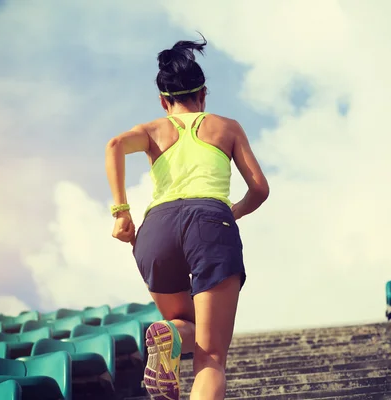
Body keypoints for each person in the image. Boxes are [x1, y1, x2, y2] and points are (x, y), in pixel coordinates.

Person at [104, 35, 270, 400]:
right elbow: (259, 189)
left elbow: (115, 145)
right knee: (211, 360)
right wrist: (232, 212)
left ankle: (173, 336)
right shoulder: (226, 127)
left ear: (164, 101)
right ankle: (174, 338)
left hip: (156, 230)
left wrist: (121, 212)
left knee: (187, 327)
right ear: (203, 94)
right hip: (210, 222)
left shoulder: (152, 130)